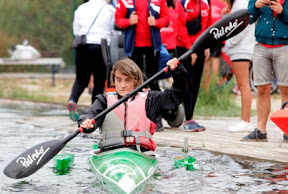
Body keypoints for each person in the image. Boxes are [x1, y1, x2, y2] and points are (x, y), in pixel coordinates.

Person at [78, 57, 187, 151]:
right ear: (114, 80)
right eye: (119, 80)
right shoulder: (104, 101)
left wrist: (178, 72)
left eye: (127, 80)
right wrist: (86, 122)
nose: (122, 85)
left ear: (135, 81)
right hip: (110, 153)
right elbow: (89, 115)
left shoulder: (150, 100)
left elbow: (176, 95)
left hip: (140, 153)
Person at [114, 0, 170, 131]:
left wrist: (156, 22)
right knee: (135, 84)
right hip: (133, 49)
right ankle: (134, 119)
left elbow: (166, 19)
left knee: (154, 82)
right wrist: (129, 21)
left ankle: (157, 118)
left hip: (153, 47)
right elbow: (118, 20)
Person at [242, 0, 288, 142]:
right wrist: (255, 6)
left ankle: (287, 129)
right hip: (261, 46)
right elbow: (248, 19)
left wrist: (283, 12)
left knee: (286, 88)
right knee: (262, 88)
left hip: (285, 45)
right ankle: (261, 130)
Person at [67, 0, 115, 121]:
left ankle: (73, 99)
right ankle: (94, 112)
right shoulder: (109, 9)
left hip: (83, 46)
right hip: (101, 46)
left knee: (80, 79)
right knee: (99, 82)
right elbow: (114, 31)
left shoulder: (81, 8)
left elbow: (76, 31)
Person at [175, 0, 211, 132]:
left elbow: (208, 26)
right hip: (184, 48)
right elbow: (180, 29)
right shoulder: (182, 3)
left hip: (199, 47)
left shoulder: (206, 2)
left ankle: (191, 118)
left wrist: (206, 46)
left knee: (196, 84)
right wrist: (191, 50)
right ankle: (187, 119)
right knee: (188, 83)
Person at [224, 0, 255, 133]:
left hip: (241, 48)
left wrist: (229, 43)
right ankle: (245, 120)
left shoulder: (242, 2)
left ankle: (245, 120)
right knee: (244, 85)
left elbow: (241, 27)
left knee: (243, 86)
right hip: (242, 47)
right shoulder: (242, 2)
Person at [202, 0, 227, 92]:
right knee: (208, 64)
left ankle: (209, 91)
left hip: (215, 37)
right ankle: (207, 91)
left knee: (210, 65)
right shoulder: (206, 3)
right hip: (209, 37)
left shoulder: (222, 5)